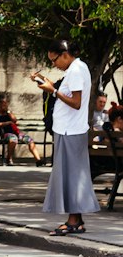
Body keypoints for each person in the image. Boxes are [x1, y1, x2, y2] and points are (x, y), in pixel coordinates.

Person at [33, 39, 100, 235]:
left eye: (54, 60)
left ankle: (73, 221)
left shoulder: (76, 70)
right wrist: (48, 84)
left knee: (72, 177)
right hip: (67, 130)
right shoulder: (76, 69)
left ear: (64, 54)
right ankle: (76, 221)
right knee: (71, 176)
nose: (54, 64)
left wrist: (52, 91)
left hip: (71, 131)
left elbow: (76, 102)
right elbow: (67, 94)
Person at [0, 93, 42, 165]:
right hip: (4, 134)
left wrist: (8, 112)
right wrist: (7, 123)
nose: (6, 104)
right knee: (13, 139)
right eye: (4, 103)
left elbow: (14, 120)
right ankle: (9, 158)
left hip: (16, 133)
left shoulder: (8, 113)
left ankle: (38, 160)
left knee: (29, 140)